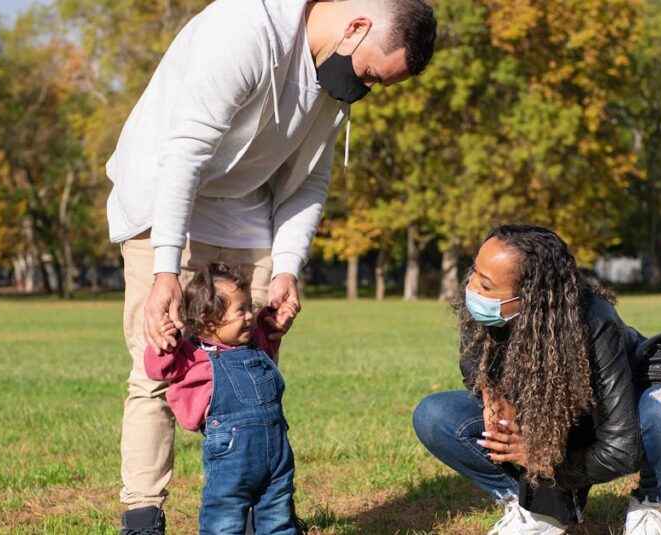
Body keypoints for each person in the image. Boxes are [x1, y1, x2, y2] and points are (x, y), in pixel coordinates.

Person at [104, 0, 437, 532]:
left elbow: (309, 180)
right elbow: (184, 154)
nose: (366, 89)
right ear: (356, 28)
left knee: (252, 363)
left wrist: (286, 268)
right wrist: (166, 271)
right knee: (157, 368)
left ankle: (262, 513)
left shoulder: (334, 79)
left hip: (245, 214)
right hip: (166, 204)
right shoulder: (245, 30)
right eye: (371, 74)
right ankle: (143, 515)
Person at [412, 225, 661, 535]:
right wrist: (493, 398)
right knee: (434, 415)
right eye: (474, 272)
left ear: (531, 296)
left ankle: (648, 505)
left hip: (611, 419)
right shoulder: (483, 311)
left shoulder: (595, 322)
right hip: (543, 425)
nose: (472, 289)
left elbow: (621, 449)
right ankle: (530, 506)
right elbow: (474, 366)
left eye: (486, 285)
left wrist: (540, 459)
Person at [144, 262, 302, 534]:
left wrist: (270, 318)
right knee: (224, 519)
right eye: (241, 310)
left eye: (250, 306)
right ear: (207, 318)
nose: (250, 316)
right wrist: (168, 340)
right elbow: (158, 369)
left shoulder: (255, 343)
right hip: (231, 459)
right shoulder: (193, 355)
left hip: (277, 455)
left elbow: (269, 334)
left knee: (278, 516)